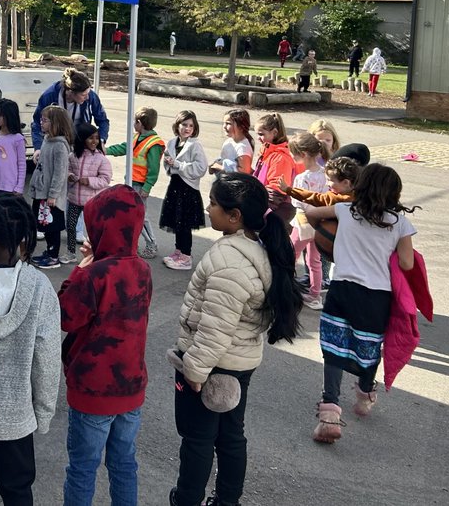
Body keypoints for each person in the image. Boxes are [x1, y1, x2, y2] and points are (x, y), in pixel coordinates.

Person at [168, 173, 301, 506]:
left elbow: (216, 326)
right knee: (229, 436)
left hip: (212, 366)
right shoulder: (256, 248)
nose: (208, 208)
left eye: (213, 203)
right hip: (238, 362)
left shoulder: (229, 261)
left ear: (234, 215)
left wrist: (195, 370)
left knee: (198, 439)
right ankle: (227, 500)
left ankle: (187, 499)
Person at [304, 164, 417, 443]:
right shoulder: (399, 222)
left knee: (333, 348)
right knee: (368, 347)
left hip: (342, 289)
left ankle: (329, 412)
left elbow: (311, 214)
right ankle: (365, 393)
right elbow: (407, 263)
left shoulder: (345, 210)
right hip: (376, 296)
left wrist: (331, 233)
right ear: (394, 192)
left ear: (360, 187)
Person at [0, 193, 62, 506]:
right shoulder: (40, 287)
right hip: (17, 420)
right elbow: (47, 358)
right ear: (24, 238)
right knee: (18, 492)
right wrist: (43, 412)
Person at [58, 185, 152, 506]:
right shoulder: (143, 269)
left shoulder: (92, 275)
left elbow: (66, 316)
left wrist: (80, 269)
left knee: (83, 468)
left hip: (93, 390)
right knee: (124, 464)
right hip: (131, 388)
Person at [105, 107, 166, 260]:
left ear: (140, 123)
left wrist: (147, 186)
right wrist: (106, 150)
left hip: (140, 185)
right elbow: (123, 148)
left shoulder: (153, 143)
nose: (133, 124)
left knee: (140, 216)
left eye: (135, 122)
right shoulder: (136, 137)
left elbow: (154, 168)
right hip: (131, 182)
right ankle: (132, 244)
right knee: (130, 215)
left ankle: (151, 243)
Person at [159, 110, 209, 272]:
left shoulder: (195, 145)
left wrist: (178, 165)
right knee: (177, 222)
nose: (187, 128)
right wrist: (169, 163)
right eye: (184, 125)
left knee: (185, 224)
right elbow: (167, 162)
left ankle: (186, 256)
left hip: (188, 189)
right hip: (175, 187)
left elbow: (201, 168)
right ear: (177, 126)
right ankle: (178, 251)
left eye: (191, 126)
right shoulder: (172, 143)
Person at [287, 132, 331, 310]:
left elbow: (297, 201)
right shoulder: (325, 175)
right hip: (320, 224)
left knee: (290, 254)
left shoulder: (302, 178)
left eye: (294, 153)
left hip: (303, 222)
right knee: (315, 260)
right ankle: (315, 295)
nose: (292, 156)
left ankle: (285, 289)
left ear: (303, 154)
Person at [29, 105, 73, 269]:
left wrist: (53, 194)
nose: (41, 122)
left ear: (56, 123)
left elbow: (60, 173)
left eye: (45, 120)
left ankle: (53, 256)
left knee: (52, 226)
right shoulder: (47, 140)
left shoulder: (60, 146)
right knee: (44, 225)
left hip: (50, 197)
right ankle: (49, 252)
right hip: (41, 192)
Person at [31, 68, 109, 158]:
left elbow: (103, 121)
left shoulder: (91, 96)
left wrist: (101, 140)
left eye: (88, 93)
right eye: (83, 95)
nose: (87, 97)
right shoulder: (49, 96)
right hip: (56, 142)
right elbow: (37, 123)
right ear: (71, 92)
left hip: (80, 142)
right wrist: (38, 148)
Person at [67, 122, 112, 264]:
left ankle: (95, 255)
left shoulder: (101, 158)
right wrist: (69, 175)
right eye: (91, 138)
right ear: (82, 138)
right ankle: (70, 253)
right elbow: (67, 169)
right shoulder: (73, 156)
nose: (95, 141)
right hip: (74, 199)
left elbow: (105, 179)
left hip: (92, 202)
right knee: (70, 226)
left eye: (97, 138)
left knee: (93, 230)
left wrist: (89, 181)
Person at [0, 98, 26, 197]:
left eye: (0, 114)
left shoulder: (18, 139)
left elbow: (21, 164)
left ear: (10, 116)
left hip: (10, 189)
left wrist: (19, 187)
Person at [210, 109, 254, 177]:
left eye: (228, 123)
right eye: (224, 123)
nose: (224, 126)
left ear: (241, 127)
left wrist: (220, 167)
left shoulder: (242, 147)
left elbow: (244, 172)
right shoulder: (228, 142)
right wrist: (215, 164)